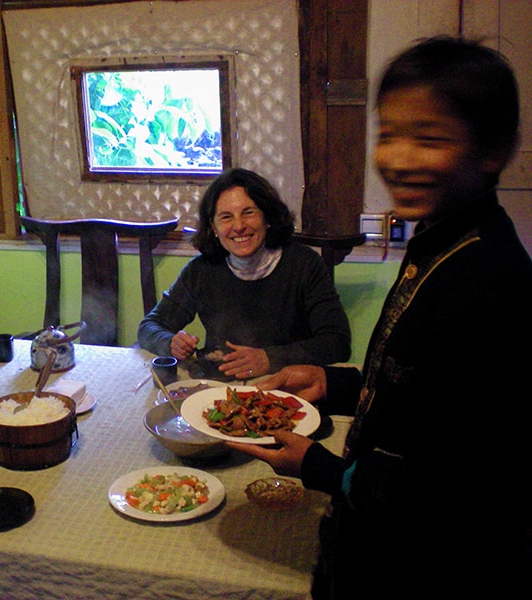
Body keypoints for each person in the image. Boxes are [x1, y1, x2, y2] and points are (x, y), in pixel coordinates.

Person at [228, 36, 532, 599]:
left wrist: (318, 466)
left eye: (430, 138)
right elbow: (417, 386)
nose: (398, 158)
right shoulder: (439, 240)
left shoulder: (488, 279)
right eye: (388, 134)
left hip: (425, 566)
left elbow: (461, 489)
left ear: (493, 149)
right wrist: (330, 382)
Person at [137, 167, 351, 379]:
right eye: (226, 217)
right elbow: (149, 327)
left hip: (286, 386)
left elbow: (337, 342)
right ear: (214, 227)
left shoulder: (305, 264)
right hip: (218, 388)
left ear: (267, 218)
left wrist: (269, 358)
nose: (238, 226)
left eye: (248, 212)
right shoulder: (202, 270)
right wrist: (170, 342)